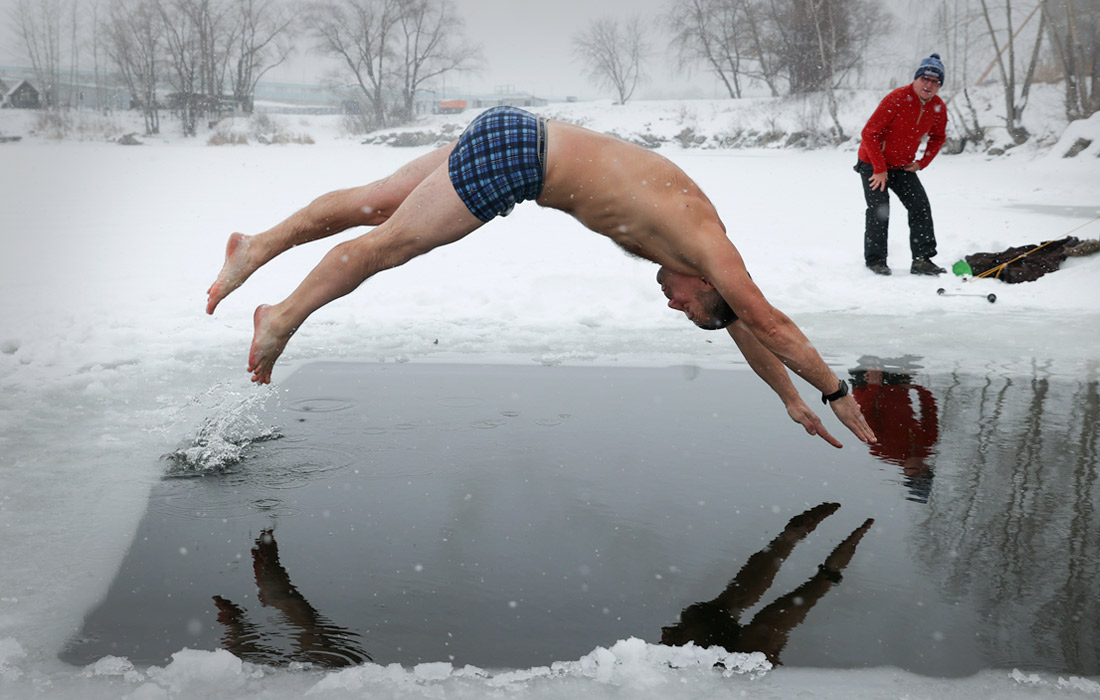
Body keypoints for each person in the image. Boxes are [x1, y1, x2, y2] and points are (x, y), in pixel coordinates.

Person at [207, 106, 876, 448]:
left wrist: (787, 398)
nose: (672, 305)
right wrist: (832, 389)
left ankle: (255, 246)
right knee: (390, 245)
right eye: (687, 309)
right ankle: (282, 318)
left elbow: (747, 332)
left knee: (375, 202)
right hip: (521, 157)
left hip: (517, 130)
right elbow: (765, 319)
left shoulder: (703, 252)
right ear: (707, 287)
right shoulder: (707, 247)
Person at [660, 503, 874, 665]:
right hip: (714, 660)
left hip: (701, 656)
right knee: (746, 621)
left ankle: (810, 558)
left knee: (737, 614)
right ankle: (799, 547)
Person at [856, 53, 949, 276]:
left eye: (935, 82)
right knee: (880, 210)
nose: (929, 85)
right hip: (873, 162)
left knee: (920, 206)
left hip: (902, 166)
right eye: (925, 79)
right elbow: (869, 133)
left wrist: (922, 163)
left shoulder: (938, 107)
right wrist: (879, 169)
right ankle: (876, 261)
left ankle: (922, 260)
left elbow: (938, 137)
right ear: (916, 79)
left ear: (939, 86)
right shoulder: (897, 98)